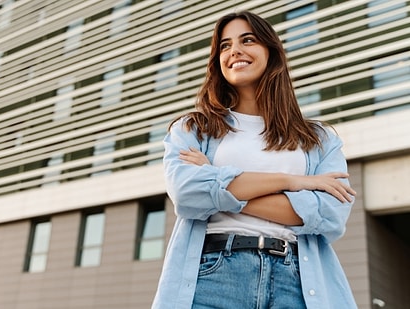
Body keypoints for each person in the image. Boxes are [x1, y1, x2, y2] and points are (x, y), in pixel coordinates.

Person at [152, 11, 358, 309]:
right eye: (224, 45)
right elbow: (187, 194)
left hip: (296, 280)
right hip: (214, 276)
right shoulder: (194, 128)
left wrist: (217, 182)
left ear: (270, 52)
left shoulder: (319, 139)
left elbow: (329, 215)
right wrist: (294, 182)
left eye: (247, 40)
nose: (234, 50)